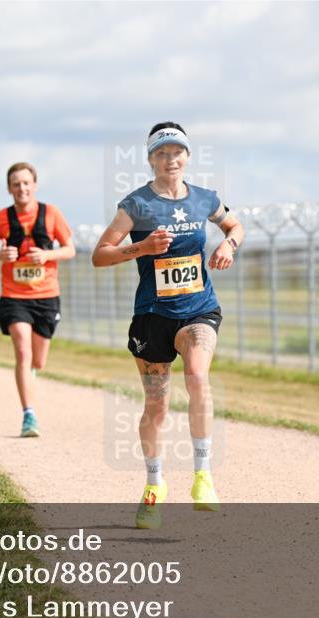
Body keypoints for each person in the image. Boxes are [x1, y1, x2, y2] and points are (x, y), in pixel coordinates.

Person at [92, 122, 244, 529]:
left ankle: (203, 477)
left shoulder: (205, 199)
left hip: (198, 310)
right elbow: (100, 255)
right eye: (162, 153)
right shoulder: (136, 205)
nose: (170, 159)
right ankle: (154, 485)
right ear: (150, 160)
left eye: (177, 152)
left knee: (198, 377)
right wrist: (142, 247)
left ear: (187, 157)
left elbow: (235, 225)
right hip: (152, 316)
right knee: (157, 406)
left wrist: (228, 243)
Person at [0, 162, 76, 437]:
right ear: (9, 189)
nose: (21, 188)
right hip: (14, 296)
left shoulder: (51, 214)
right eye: (15, 184)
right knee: (22, 351)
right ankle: (29, 416)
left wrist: (47, 256)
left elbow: (69, 250)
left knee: (38, 360)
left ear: (34, 185)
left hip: (46, 296)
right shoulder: (0, 219)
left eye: (25, 183)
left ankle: (30, 378)